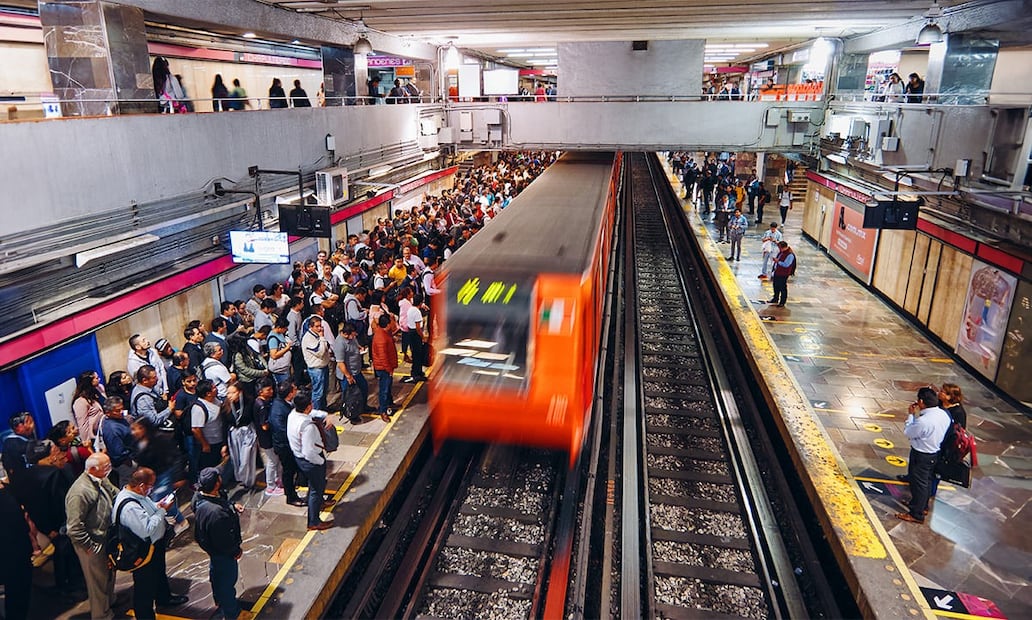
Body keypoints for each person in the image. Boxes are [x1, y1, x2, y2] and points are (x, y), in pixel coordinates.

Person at [113, 467, 188, 619]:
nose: (151, 490)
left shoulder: (138, 495)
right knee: (144, 589)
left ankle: (164, 598)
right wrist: (162, 510)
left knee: (159, 573)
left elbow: (147, 507)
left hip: (154, 546)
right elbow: (146, 529)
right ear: (141, 486)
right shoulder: (129, 507)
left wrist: (158, 505)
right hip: (143, 551)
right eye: (150, 486)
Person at [22, 440, 84, 601]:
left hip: (45, 525)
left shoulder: (27, 475)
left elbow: (32, 505)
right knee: (69, 556)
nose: (58, 454)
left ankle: (64, 586)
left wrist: (46, 527)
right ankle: (73, 588)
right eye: (54, 451)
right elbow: (60, 502)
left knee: (60, 554)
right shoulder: (54, 474)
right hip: (61, 524)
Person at [66, 452, 119, 620]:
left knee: (108, 575)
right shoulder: (79, 492)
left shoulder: (101, 479)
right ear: (93, 469)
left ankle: (109, 601)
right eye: (106, 467)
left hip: (105, 537)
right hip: (91, 543)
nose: (109, 469)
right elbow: (74, 527)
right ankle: (101, 615)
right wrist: (90, 546)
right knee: (97, 583)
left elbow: (114, 493)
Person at [191, 468, 245, 620]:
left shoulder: (198, 497)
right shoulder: (216, 514)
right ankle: (231, 612)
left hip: (211, 548)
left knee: (216, 575)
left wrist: (232, 505)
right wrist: (235, 551)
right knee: (227, 583)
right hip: (223, 552)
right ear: (216, 484)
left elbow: (220, 500)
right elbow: (224, 541)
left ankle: (219, 600)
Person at [896, 388, 952, 524]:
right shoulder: (943, 414)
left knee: (918, 484)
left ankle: (916, 514)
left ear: (921, 402)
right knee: (926, 482)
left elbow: (909, 432)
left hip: (921, 454)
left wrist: (911, 415)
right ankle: (921, 505)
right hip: (933, 453)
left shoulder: (924, 421)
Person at [287, 392, 334, 530]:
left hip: (299, 457)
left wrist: (325, 415)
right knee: (316, 489)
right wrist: (320, 461)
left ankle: (320, 503)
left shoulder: (293, 415)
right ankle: (313, 521)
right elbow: (309, 452)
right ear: (308, 406)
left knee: (316, 487)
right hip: (311, 461)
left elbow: (312, 412)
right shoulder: (308, 427)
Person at [131, 417, 187, 531]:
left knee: (163, 500)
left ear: (144, 428)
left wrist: (178, 476)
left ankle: (181, 521)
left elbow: (176, 457)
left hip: (163, 475)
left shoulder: (160, 439)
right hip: (150, 478)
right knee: (155, 501)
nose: (134, 432)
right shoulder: (138, 442)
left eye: (137, 429)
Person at [0, 482, 33, 620]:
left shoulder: (7, 491)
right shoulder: (6, 495)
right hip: (13, 555)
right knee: (18, 595)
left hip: (16, 553)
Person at [270, 380, 306, 507]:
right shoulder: (278, 410)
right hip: (285, 446)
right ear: (290, 394)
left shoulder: (286, 403)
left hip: (290, 444)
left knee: (294, 468)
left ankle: (301, 482)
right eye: (294, 389)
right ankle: (290, 496)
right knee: (288, 471)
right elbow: (281, 431)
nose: (296, 390)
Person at [252, 378, 282, 496]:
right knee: (272, 462)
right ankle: (270, 486)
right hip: (266, 438)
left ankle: (276, 480)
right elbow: (264, 426)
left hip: (266, 437)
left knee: (274, 461)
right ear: (261, 392)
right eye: (268, 390)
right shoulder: (262, 406)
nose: (271, 391)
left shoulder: (260, 402)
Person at [333, 323, 368, 424]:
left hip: (356, 371)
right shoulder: (340, 343)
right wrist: (348, 376)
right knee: (350, 396)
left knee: (363, 388)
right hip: (348, 374)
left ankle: (363, 407)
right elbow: (340, 363)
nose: (354, 336)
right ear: (345, 334)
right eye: (352, 334)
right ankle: (351, 414)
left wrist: (359, 348)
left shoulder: (352, 338)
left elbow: (355, 343)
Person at [191, 380, 226, 472]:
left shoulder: (216, 400)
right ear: (208, 393)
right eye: (214, 388)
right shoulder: (199, 408)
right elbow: (196, 429)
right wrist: (205, 444)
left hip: (219, 440)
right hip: (209, 445)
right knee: (208, 470)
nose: (216, 389)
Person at [371, 313, 399, 422]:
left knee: (388, 387)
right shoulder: (381, 338)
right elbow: (383, 357)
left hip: (386, 366)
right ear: (387, 324)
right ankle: (383, 411)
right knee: (384, 389)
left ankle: (389, 403)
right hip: (384, 368)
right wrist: (389, 370)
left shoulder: (384, 332)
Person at [302, 315, 332, 410]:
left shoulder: (316, 335)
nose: (319, 328)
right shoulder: (308, 338)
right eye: (317, 326)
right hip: (316, 369)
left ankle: (323, 409)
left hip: (323, 366)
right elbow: (320, 352)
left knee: (324, 392)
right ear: (311, 327)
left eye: (320, 326)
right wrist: (322, 337)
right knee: (318, 393)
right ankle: (316, 413)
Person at [2, 412, 36, 487]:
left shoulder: (28, 437)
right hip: (23, 483)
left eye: (32, 421)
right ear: (18, 427)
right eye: (28, 422)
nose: (32, 425)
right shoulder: (12, 444)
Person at [72, 370, 106, 446]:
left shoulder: (99, 388)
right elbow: (82, 424)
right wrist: (86, 441)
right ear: (90, 382)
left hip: (105, 426)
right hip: (95, 435)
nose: (99, 379)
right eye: (97, 378)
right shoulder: (80, 402)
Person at [768, 241, 795, 307]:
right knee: (776, 286)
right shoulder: (782, 252)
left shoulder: (790, 255)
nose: (779, 249)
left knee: (782, 287)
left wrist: (778, 261)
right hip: (777, 272)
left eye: (780, 248)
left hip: (783, 274)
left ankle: (782, 301)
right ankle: (775, 298)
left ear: (783, 247)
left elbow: (786, 264)